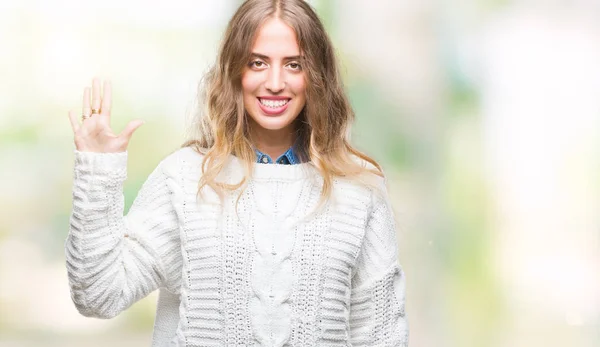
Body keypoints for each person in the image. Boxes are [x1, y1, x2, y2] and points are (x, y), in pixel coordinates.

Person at [65, 0, 409, 346]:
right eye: (257, 63)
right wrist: (98, 171)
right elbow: (99, 295)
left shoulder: (359, 188)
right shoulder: (183, 179)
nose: (275, 82)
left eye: (294, 65)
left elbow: (383, 337)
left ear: (316, 76)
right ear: (234, 71)